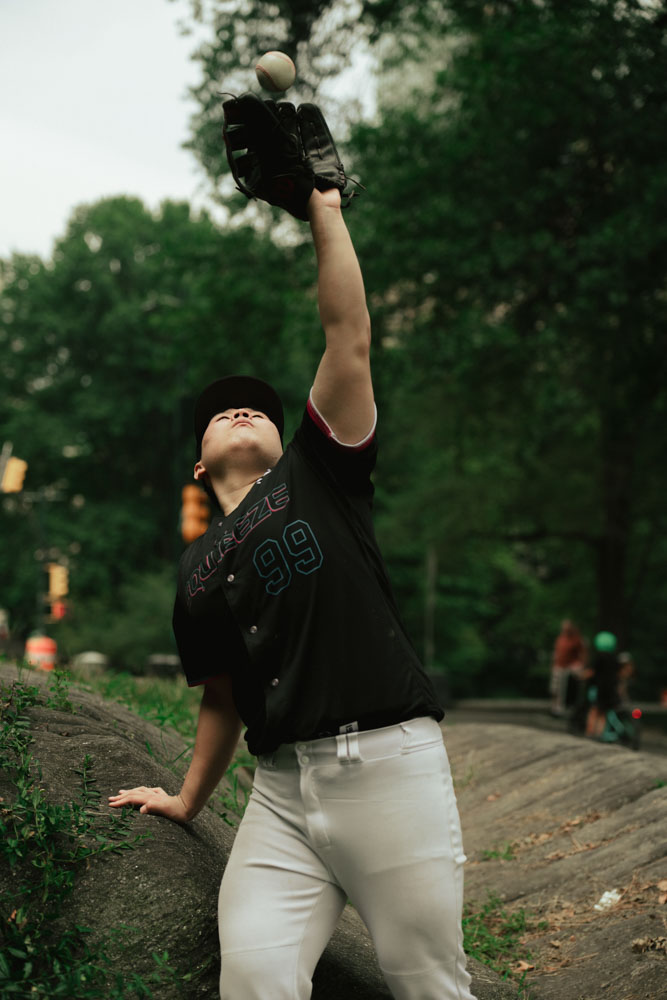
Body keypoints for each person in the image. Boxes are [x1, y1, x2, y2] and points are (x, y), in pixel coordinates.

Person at [110, 103, 476, 1000]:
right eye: (220, 412)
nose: (241, 408)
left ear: (286, 437)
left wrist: (323, 209)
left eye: (258, 407)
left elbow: (347, 334)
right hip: (279, 795)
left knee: (427, 983)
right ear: (199, 464)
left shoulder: (322, 473)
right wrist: (186, 801)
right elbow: (221, 697)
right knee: (256, 980)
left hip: (384, 766)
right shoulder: (195, 571)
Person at [550, 619, 587, 715]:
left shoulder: (576, 639)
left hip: (569, 667)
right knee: (555, 688)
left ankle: (572, 706)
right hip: (559, 666)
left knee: (568, 686)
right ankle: (555, 707)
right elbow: (557, 653)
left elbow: (582, 654)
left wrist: (580, 665)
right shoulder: (560, 639)